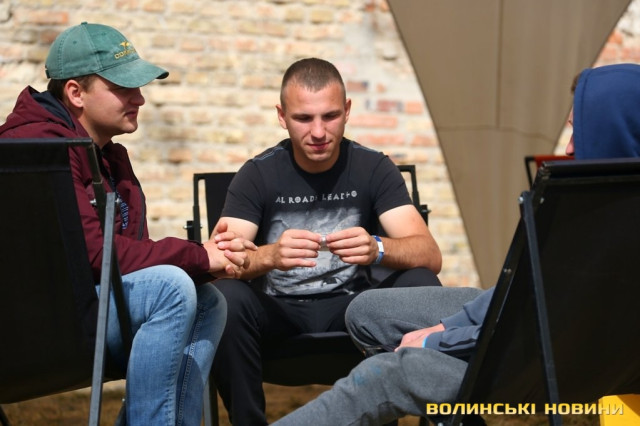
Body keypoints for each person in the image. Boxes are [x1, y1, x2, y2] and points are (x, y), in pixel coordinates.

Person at [271, 62, 640, 425]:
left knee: (388, 375)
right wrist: (449, 326)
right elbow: (526, 292)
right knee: (369, 311)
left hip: (534, 373)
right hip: (540, 340)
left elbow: (528, 330)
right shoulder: (604, 199)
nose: (570, 148)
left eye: (580, 132)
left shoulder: (600, 224)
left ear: (614, 128)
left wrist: (435, 343)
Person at [0, 22, 255, 426]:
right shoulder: (38, 149)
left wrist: (207, 262)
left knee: (207, 301)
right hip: (35, 331)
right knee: (170, 289)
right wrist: (199, 256)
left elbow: (131, 262)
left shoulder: (107, 157)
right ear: (76, 93)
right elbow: (92, 254)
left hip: (82, 313)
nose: (139, 98)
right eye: (123, 87)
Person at [210, 57, 444, 424]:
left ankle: (432, 414)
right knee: (224, 296)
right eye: (304, 118)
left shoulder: (372, 167)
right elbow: (218, 261)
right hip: (277, 314)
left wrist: (378, 248)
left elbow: (430, 255)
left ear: (347, 110)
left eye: (330, 116)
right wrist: (271, 256)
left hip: (355, 311)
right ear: (282, 116)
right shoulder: (258, 174)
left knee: (420, 282)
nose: (318, 132)